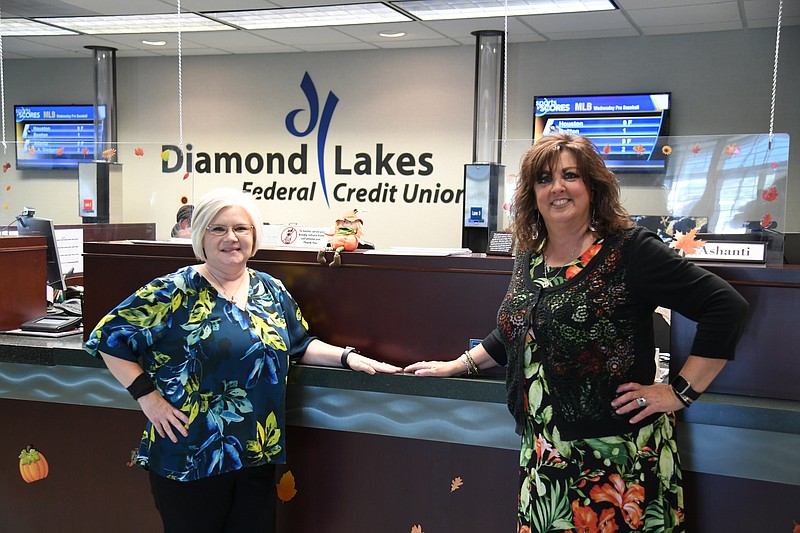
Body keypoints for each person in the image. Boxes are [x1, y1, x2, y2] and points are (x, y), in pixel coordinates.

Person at [404, 134, 748, 532]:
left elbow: (726, 308)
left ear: (592, 187)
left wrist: (680, 392)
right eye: (545, 179)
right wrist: (459, 364)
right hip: (544, 455)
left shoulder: (630, 250)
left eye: (571, 175)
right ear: (532, 194)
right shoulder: (529, 256)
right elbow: (519, 328)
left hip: (615, 459)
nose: (558, 188)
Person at [84, 188, 401, 533]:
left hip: (255, 452)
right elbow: (108, 339)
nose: (231, 238)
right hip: (191, 453)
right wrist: (149, 399)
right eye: (218, 229)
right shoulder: (172, 291)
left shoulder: (270, 289)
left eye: (241, 228)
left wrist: (347, 357)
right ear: (201, 235)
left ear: (254, 235)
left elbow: (298, 343)